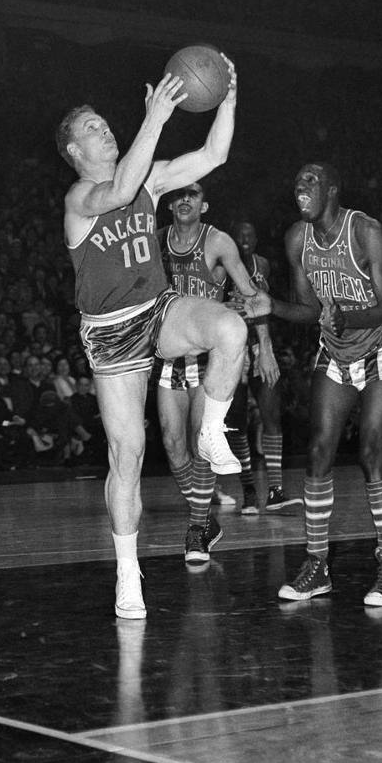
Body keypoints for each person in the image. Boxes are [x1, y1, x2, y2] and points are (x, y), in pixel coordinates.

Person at [56, 63, 266, 621]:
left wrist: (227, 99)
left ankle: (213, 428)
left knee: (231, 327)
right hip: (109, 335)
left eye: (106, 124)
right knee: (128, 455)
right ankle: (128, 571)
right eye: (94, 129)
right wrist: (156, 116)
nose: (106, 131)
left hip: (157, 310)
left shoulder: (148, 180)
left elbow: (213, 156)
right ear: (75, 151)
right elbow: (122, 186)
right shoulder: (80, 197)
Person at [268, 162, 382, 607]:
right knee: (318, 449)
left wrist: (346, 317)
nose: (299, 187)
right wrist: (265, 303)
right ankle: (317, 566)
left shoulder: (366, 231)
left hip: (381, 343)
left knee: (370, 449)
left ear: (331, 189)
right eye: (297, 181)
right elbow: (309, 310)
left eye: (309, 180)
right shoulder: (297, 239)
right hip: (335, 348)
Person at [151, 183, 270, 567]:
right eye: (178, 195)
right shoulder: (154, 242)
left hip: (208, 355)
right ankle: (206, 517)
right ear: (170, 204)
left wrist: (262, 346)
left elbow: (251, 294)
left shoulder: (218, 241)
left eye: (193, 195)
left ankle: (197, 527)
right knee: (172, 444)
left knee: (202, 440)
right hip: (170, 350)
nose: (184, 200)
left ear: (205, 205)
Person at [230, 218, 298, 512]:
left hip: (261, 344)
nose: (245, 236)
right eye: (240, 233)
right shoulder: (222, 265)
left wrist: (267, 348)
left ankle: (275, 490)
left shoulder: (264, 266)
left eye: (250, 233)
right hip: (233, 346)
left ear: (256, 239)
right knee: (238, 423)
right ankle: (248, 491)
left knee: (271, 415)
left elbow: (265, 308)